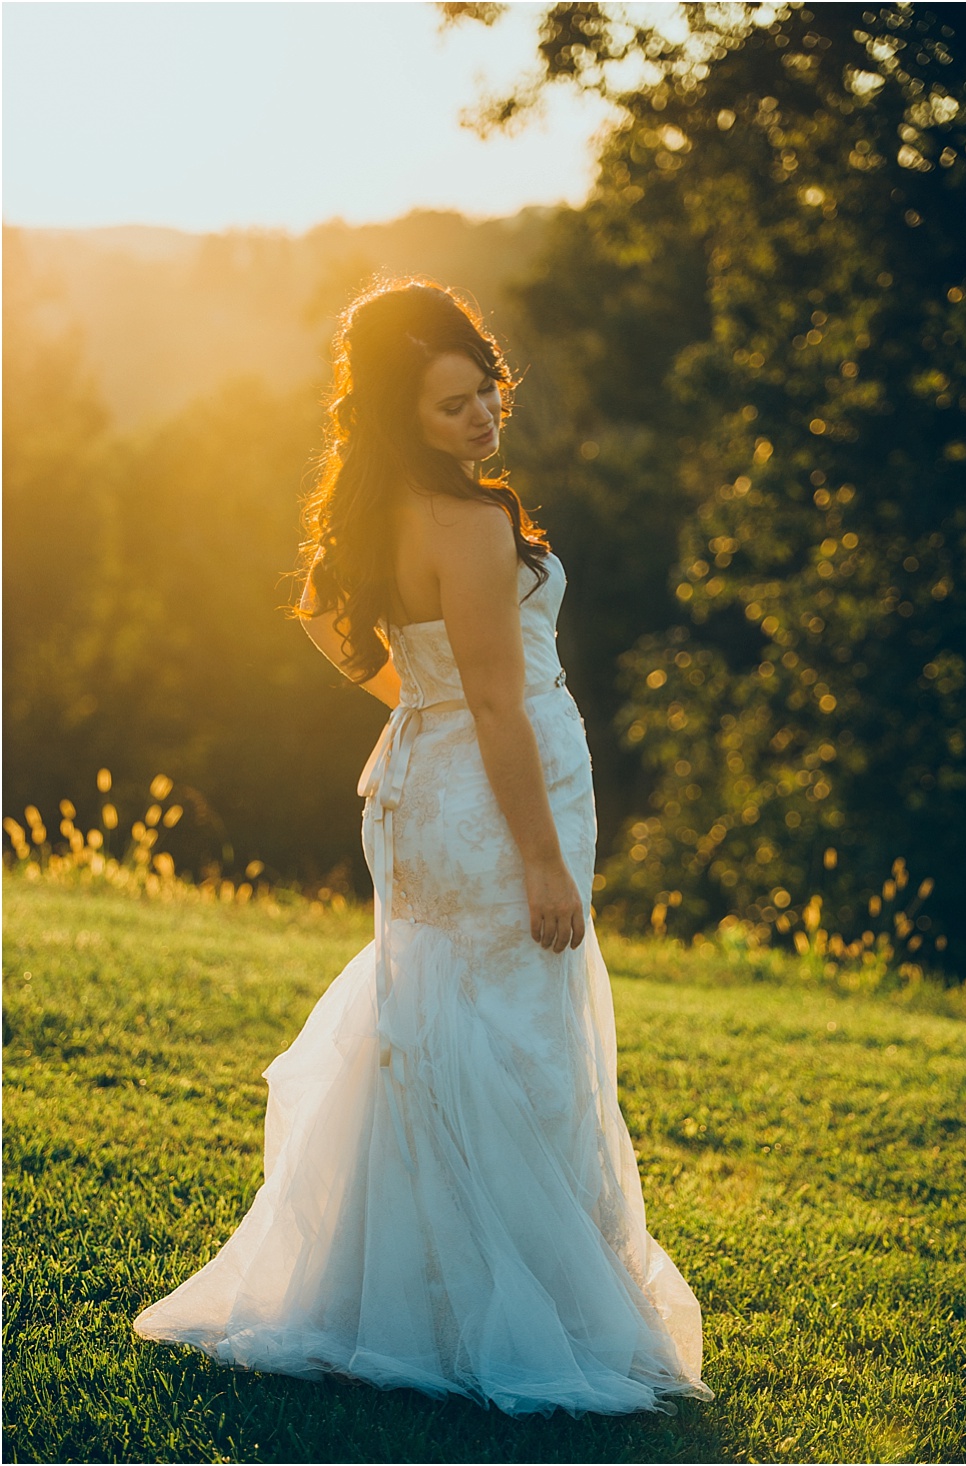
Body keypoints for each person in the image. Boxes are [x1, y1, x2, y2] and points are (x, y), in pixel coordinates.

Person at [133, 277, 713, 1419]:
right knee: (511, 1030)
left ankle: (399, 1295)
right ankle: (508, 1307)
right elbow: (499, 706)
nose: (481, 415)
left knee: (433, 1020)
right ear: (406, 412)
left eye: (483, 390)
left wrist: (416, 703)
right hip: (498, 800)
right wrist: (543, 860)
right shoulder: (476, 519)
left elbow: (317, 613)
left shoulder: (373, 506)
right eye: (451, 404)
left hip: (422, 787)